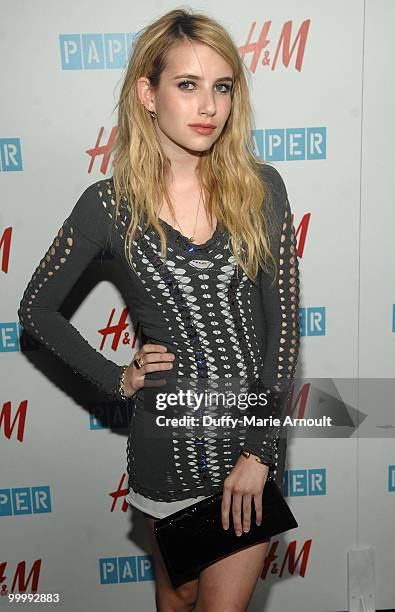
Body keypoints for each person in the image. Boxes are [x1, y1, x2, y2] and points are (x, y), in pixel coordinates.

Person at [18, 7, 300, 611]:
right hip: (165, 452)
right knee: (180, 598)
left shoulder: (263, 187)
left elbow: (283, 333)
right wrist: (116, 377)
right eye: (187, 85)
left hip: (245, 447)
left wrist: (260, 451)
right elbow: (36, 309)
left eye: (221, 87)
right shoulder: (109, 206)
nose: (209, 107)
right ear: (148, 94)